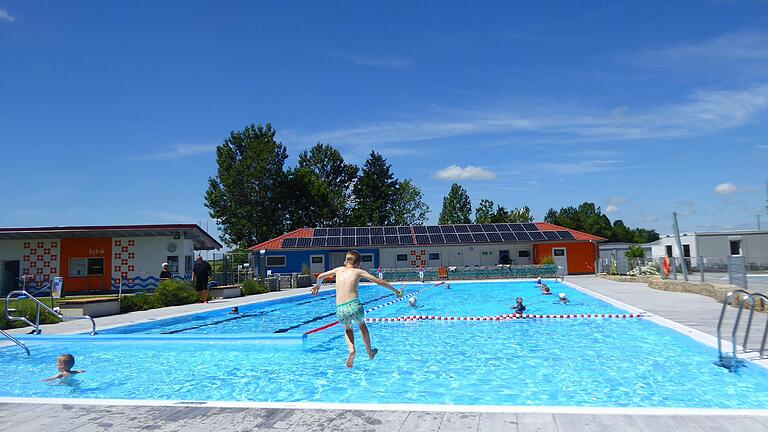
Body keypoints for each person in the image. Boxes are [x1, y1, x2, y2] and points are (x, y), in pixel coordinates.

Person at [310, 250, 404, 368]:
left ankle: (351, 350)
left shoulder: (338, 270)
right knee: (362, 326)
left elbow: (320, 276)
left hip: (340, 309)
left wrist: (318, 285)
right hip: (354, 305)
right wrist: (396, 291)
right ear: (358, 263)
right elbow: (379, 282)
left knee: (348, 329)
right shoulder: (358, 271)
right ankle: (369, 352)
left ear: (345, 261)